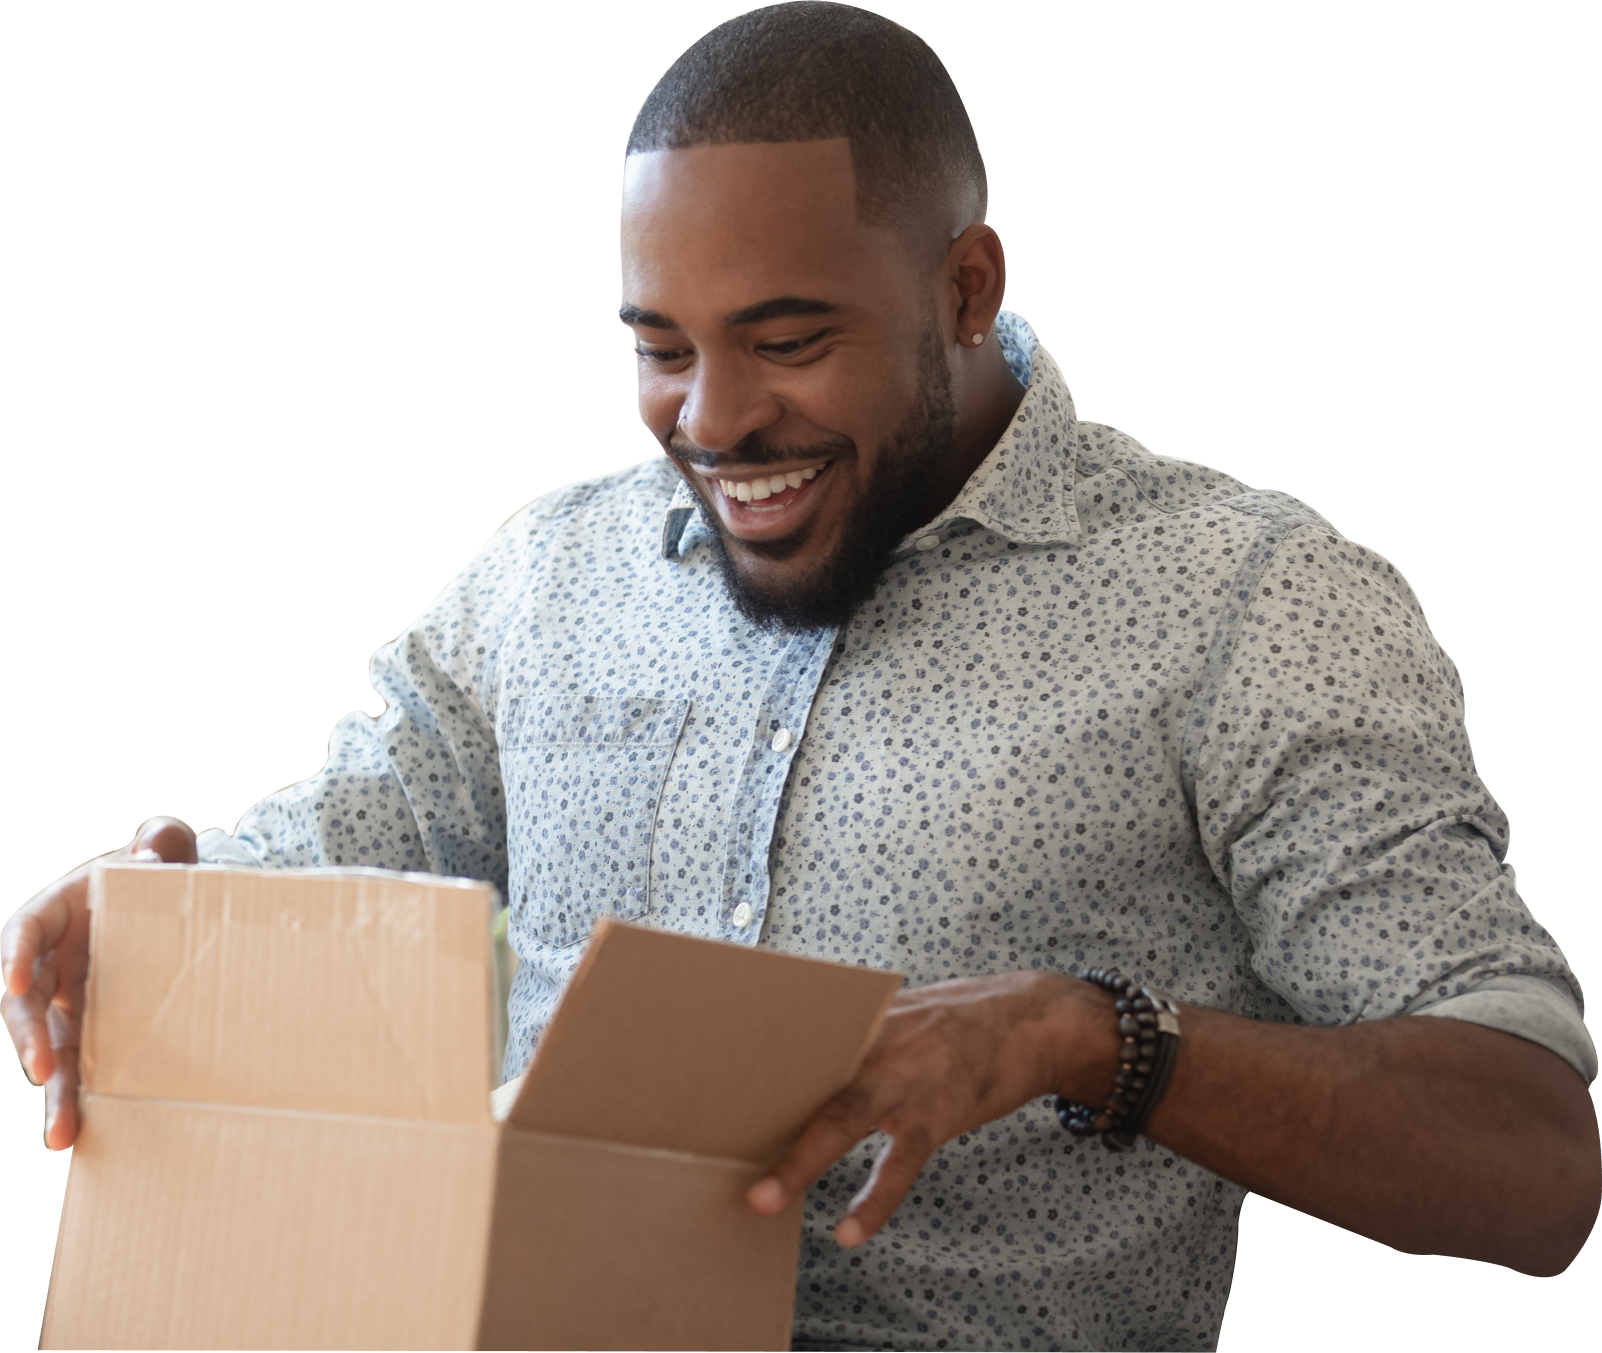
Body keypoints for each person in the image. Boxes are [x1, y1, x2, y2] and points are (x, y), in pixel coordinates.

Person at [5, 5, 1597, 1349]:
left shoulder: (1246, 599)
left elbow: (1527, 1168)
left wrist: (1087, 1038)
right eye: (660, 344)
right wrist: (164, 912)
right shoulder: (549, 574)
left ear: (963, 289)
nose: (708, 418)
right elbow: (333, 862)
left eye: (784, 337)